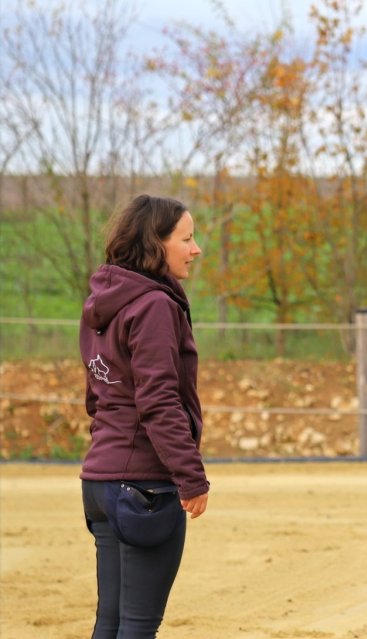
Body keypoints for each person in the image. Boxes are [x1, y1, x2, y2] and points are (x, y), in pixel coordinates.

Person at [79, 194, 209, 638]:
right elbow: (158, 401)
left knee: (110, 623)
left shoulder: (102, 301)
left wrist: (107, 459)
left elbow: (97, 395)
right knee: (136, 628)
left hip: (100, 484)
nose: (196, 249)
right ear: (156, 243)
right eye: (186, 239)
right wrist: (191, 477)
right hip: (144, 489)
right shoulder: (153, 305)